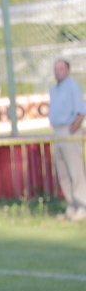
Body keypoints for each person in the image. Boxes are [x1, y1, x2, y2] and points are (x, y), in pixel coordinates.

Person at [49, 59, 86, 220]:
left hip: (70, 131)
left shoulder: (72, 86)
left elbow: (81, 111)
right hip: (57, 132)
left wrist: (73, 130)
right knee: (63, 172)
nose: (58, 72)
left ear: (68, 70)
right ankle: (72, 205)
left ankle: (83, 206)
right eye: (56, 69)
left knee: (75, 170)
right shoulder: (54, 90)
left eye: (61, 69)